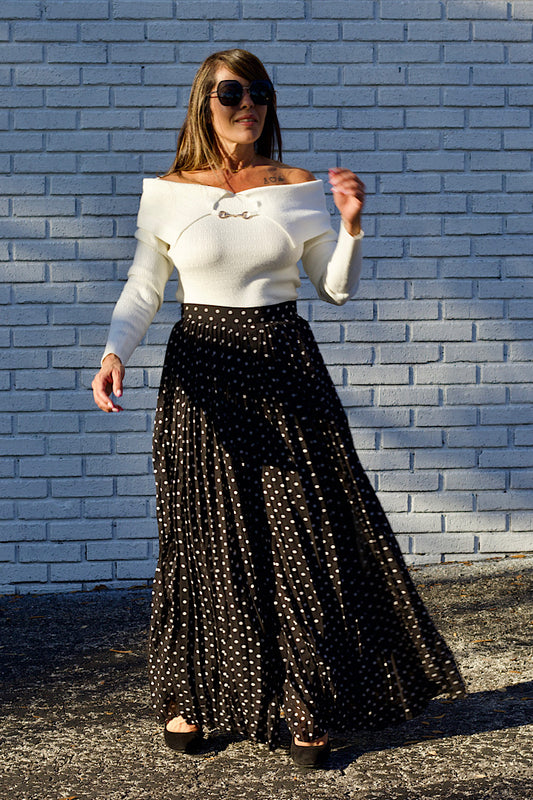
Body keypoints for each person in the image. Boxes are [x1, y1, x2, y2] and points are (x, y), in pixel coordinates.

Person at [92, 49, 465, 768]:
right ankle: (191, 696)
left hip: (284, 366)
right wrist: (114, 354)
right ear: (204, 102)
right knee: (202, 535)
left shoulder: (296, 187)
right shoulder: (167, 192)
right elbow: (144, 287)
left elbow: (333, 288)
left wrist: (350, 226)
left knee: (301, 534)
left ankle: (307, 704)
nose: (247, 103)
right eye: (231, 92)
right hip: (202, 366)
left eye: (259, 92)